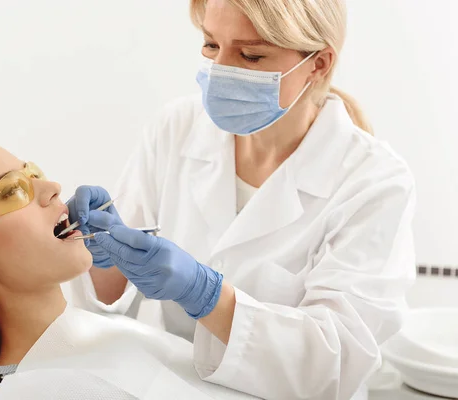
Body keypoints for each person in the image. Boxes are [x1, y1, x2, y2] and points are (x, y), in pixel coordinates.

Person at [68, 0, 416, 399]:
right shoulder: (175, 129)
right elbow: (111, 302)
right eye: (211, 46)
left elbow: (333, 365)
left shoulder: (374, 181)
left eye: (251, 55)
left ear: (318, 63)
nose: (221, 70)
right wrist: (102, 254)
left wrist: (209, 296)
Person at [0, 133, 255, 399]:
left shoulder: (100, 339)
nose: (53, 187)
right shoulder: (39, 390)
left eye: (33, 173)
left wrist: (208, 296)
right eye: (10, 191)